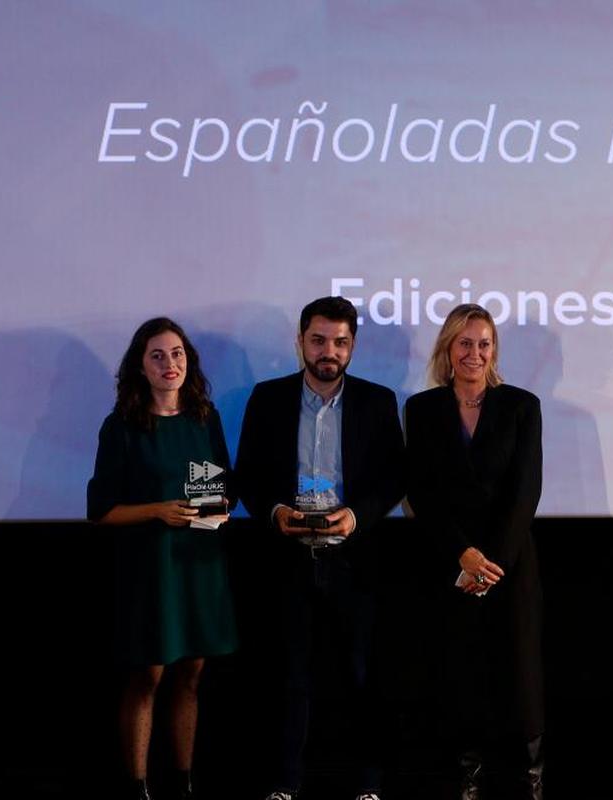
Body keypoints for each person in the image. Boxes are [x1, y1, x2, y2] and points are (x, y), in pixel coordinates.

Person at [236, 296, 405, 800]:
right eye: (318, 340)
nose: (328, 351)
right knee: (289, 676)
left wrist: (357, 515)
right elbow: (248, 473)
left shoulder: (377, 401)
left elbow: (395, 476)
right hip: (288, 557)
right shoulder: (267, 398)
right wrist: (273, 513)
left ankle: (369, 785)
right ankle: (284, 783)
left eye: (339, 342)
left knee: (362, 675)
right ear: (301, 342)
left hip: (354, 560)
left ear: (352, 346)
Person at [88, 317, 238, 800]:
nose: (169, 364)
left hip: (199, 564)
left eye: (177, 353)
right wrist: (158, 511)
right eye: (157, 355)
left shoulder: (203, 417)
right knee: (147, 677)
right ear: (140, 365)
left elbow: (216, 485)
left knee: (192, 675)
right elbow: (102, 510)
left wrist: (222, 508)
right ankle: (137, 786)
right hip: (151, 571)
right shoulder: (123, 426)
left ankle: (184, 780)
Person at [403, 304, 545, 800]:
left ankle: (529, 771)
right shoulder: (421, 410)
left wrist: (492, 566)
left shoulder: (522, 405)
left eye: (484, 343)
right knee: (461, 667)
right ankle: (469, 769)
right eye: (464, 343)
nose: (475, 353)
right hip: (450, 560)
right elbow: (419, 491)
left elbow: (526, 490)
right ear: (448, 348)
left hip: (509, 562)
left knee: (518, 666)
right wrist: (462, 555)